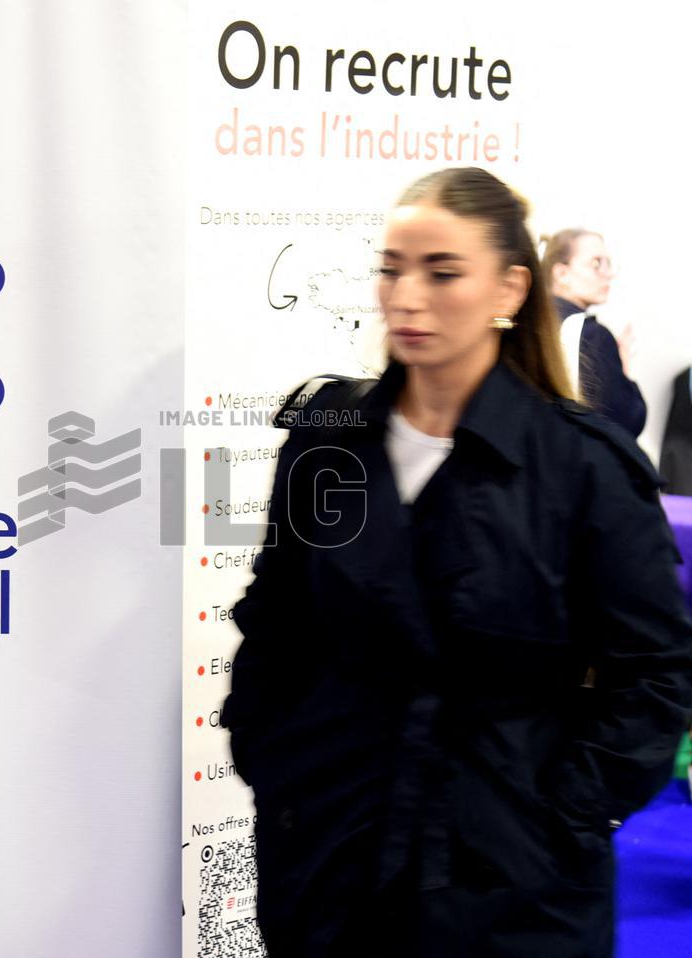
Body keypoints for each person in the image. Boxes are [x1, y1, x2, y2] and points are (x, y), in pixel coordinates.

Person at [220, 167, 692, 958]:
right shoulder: (325, 442)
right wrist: (279, 768)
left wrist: (564, 815)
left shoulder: (581, 469)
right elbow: (276, 624)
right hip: (334, 860)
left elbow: (653, 671)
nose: (407, 296)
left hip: (510, 881)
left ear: (509, 289)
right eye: (392, 268)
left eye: (442, 273)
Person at [540, 229, 646, 437]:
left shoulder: (534, 324)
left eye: (609, 264)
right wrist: (623, 364)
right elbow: (629, 420)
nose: (608, 274)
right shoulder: (590, 335)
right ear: (562, 274)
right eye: (597, 264)